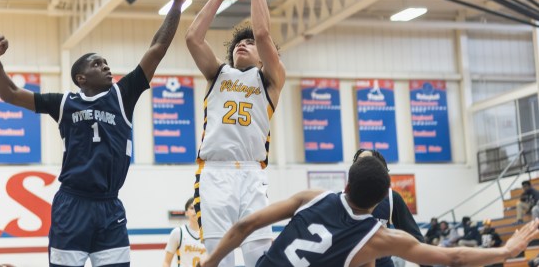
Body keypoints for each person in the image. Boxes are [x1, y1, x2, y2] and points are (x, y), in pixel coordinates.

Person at [0, 0, 190, 267]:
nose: (107, 67)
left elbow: (157, 48)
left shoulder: (122, 95)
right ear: (81, 77)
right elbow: (10, 93)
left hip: (109, 205)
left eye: (107, 63)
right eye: (98, 64)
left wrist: (176, 3)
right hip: (72, 204)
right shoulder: (65, 103)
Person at [197, 156, 539, 267]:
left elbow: (244, 225)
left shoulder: (312, 197)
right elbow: (451, 258)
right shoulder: (380, 237)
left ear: (345, 185)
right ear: (382, 203)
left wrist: (209, 264)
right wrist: (506, 251)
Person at [185, 0, 286, 267]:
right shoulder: (218, 74)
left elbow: (262, 32)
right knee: (221, 260)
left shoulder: (270, 79)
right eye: (238, 43)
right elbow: (192, 39)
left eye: (250, 44)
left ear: (265, 55)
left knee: (260, 257)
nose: (243, 43)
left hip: (252, 174)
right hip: (214, 174)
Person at [352, 149, 425, 267]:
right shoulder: (340, 199)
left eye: (366, 161)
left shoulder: (392, 197)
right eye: (358, 161)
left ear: (379, 168)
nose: (361, 165)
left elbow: (416, 240)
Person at [163, 197, 206, 267]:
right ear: (186, 213)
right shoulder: (178, 232)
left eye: (198, 208)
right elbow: (166, 262)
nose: (195, 210)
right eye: (192, 208)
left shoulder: (209, 234)